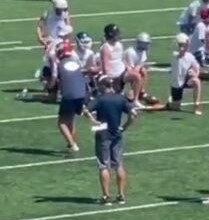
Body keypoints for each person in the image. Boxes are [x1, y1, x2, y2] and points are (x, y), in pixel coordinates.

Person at [84, 76, 137, 205]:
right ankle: (121, 195)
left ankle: (106, 196)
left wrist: (93, 120)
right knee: (118, 164)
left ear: (102, 86)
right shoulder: (120, 98)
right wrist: (125, 126)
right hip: (117, 134)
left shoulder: (100, 99)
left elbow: (85, 110)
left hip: (103, 135)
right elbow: (133, 113)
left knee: (104, 166)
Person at [49, 40, 89, 156]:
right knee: (70, 120)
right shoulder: (76, 62)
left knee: (61, 123)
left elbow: (54, 77)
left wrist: (49, 86)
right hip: (81, 94)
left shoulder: (59, 64)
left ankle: (72, 145)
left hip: (69, 94)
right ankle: (71, 143)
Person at [123, 32, 152, 108]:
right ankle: (135, 99)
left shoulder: (143, 52)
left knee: (144, 71)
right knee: (137, 76)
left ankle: (141, 92)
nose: (146, 45)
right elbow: (130, 68)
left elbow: (140, 65)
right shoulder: (131, 52)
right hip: (123, 72)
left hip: (131, 70)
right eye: (145, 43)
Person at [98, 24, 127, 93]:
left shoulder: (119, 44)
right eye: (116, 34)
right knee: (115, 94)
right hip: (113, 76)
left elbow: (122, 58)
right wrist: (107, 79)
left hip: (122, 72)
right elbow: (105, 67)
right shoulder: (106, 48)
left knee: (136, 76)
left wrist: (128, 68)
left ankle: (136, 97)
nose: (117, 35)